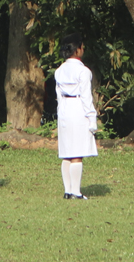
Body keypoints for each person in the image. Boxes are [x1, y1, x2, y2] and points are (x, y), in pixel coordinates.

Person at [55, 34, 97, 199]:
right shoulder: (83, 71)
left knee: (67, 152)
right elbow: (86, 96)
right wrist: (92, 117)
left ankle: (68, 190)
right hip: (78, 108)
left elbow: (58, 94)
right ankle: (76, 191)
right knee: (77, 153)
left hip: (65, 108)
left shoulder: (59, 70)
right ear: (77, 49)